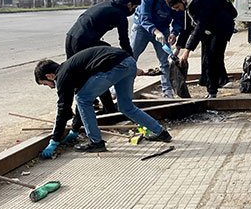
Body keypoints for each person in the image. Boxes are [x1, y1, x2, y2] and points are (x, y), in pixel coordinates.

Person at [35, 45, 172, 157]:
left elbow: (63, 108)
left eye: (45, 83)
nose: (49, 86)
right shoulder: (72, 69)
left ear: (49, 75)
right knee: (126, 106)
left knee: (82, 99)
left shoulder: (63, 76)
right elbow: (79, 103)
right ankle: (161, 133)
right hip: (128, 62)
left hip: (116, 66)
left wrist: (54, 140)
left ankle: (96, 142)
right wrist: (75, 130)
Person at [65, 0, 142, 113]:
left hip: (70, 36)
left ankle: (91, 103)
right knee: (100, 70)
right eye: (135, 7)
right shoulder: (120, 15)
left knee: (77, 73)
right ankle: (108, 108)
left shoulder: (109, 4)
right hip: (83, 41)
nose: (134, 10)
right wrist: (132, 63)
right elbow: (124, 42)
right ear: (129, 4)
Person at [166, 0, 237, 98]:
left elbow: (200, 26)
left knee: (213, 57)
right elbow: (187, 28)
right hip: (209, 29)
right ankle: (210, 86)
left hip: (221, 28)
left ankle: (212, 91)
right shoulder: (188, 5)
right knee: (206, 58)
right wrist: (178, 48)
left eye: (177, 7)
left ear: (183, 0)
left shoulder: (201, 0)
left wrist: (187, 51)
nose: (177, 10)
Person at [131, 0, 185, 98]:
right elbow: (144, 18)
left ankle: (167, 92)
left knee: (165, 61)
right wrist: (155, 32)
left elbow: (178, 19)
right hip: (142, 28)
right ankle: (118, 90)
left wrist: (174, 33)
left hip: (163, 28)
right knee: (130, 58)